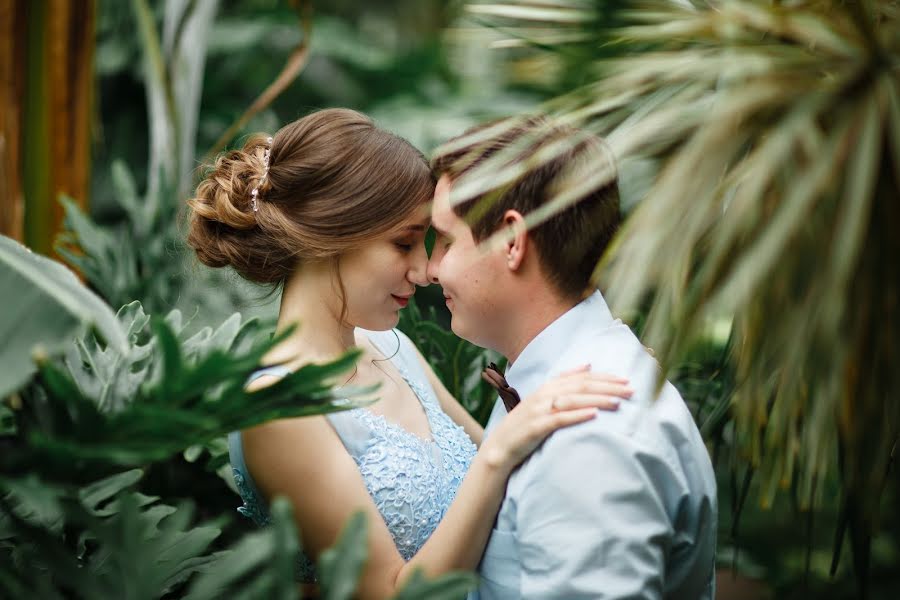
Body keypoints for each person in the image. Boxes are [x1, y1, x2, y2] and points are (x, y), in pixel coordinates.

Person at [186, 108, 633, 598]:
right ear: (332, 236)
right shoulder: (278, 406)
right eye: (404, 244)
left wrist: (591, 361)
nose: (425, 270)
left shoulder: (392, 349)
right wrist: (497, 455)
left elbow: (511, 464)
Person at [427, 116, 718, 599]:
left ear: (512, 242)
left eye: (445, 240)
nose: (432, 268)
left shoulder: (590, 436)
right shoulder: (567, 384)